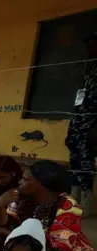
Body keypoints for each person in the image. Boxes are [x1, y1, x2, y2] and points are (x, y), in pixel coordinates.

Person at [0, 160, 95, 251]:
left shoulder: (67, 206)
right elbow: (3, 223)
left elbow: (57, 246)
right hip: (27, 243)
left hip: (58, 250)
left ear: (41, 184)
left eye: (26, 179)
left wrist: (8, 233)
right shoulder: (21, 197)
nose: (20, 182)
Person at [65, 32, 97, 213]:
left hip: (92, 121)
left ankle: (88, 198)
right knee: (74, 156)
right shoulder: (89, 68)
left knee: (85, 158)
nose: (90, 47)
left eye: (93, 43)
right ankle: (74, 197)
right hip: (79, 119)